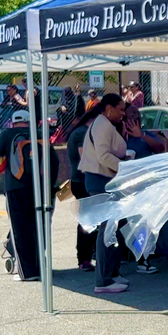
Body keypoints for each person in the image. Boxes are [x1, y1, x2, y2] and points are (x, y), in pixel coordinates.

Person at [0, 109, 59, 281]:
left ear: (13, 122)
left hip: (16, 186)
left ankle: (27, 272)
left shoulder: (7, 134)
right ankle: (41, 266)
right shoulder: (41, 134)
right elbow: (54, 160)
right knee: (39, 227)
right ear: (30, 121)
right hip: (42, 187)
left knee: (20, 228)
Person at [78, 93, 130, 294]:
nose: (123, 114)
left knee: (113, 227)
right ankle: (103, 280)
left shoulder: (104, 125)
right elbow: (103, 155)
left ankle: (111, 273)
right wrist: (125, 167)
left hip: (105, 180)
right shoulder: (102, 125)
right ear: (109, 109)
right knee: (107, 229)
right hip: (101, 181)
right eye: (121, 110)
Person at [121, 103, 165, 274]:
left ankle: (143, 259)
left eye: (138, 115)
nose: (136, 118)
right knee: (129, 224)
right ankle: (130, 255)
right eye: (132, 115)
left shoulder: (146, 135)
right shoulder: (120, 137)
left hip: (147, 188)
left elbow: (161, 148)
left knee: (144, 223)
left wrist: (142, 136)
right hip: (128, 188)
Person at [67, 108, 100, 271]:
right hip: (83, 182)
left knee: (90, 219)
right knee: (87, 220)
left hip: (83, 181)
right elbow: (85, 160)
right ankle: (84, 258)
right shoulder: (82, 133)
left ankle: (88, 256)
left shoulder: (84, 132)